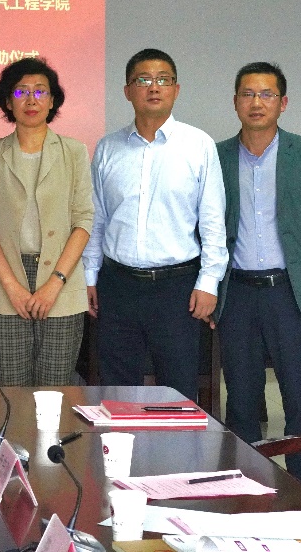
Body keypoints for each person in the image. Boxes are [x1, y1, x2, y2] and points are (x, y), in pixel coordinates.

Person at [215, 62, 301, 485]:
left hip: (291, 292)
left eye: (266, 94)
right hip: (237, 293)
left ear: (283, 103)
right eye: (248, 94)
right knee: (241, 397)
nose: (257, 102)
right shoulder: (216, 156)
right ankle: (244, 486)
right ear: (236, 101)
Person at [82, 48, 226, 401]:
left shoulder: (198, 145)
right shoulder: (108, 148)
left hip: (176, 288)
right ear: (127, 90)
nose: (154, 87)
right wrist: (89, 275)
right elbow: (97, 218)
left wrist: (209, 281)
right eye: (143, 80)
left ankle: (174, 442)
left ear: (176, 89)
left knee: (177, 391)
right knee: (118, 390)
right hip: (117, 285)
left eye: (163, 79)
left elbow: (213, 221)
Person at [0, 57, 93, 386]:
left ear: (52, 101)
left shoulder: (74, 151)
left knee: (53, 391)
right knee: (12, 390)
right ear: (7, 101)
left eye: (40, 91)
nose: (31, 99)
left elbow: (83, 220)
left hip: (61, 281)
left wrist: (55, 283)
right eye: (21, 91)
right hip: (5, 281)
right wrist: (12, 287)